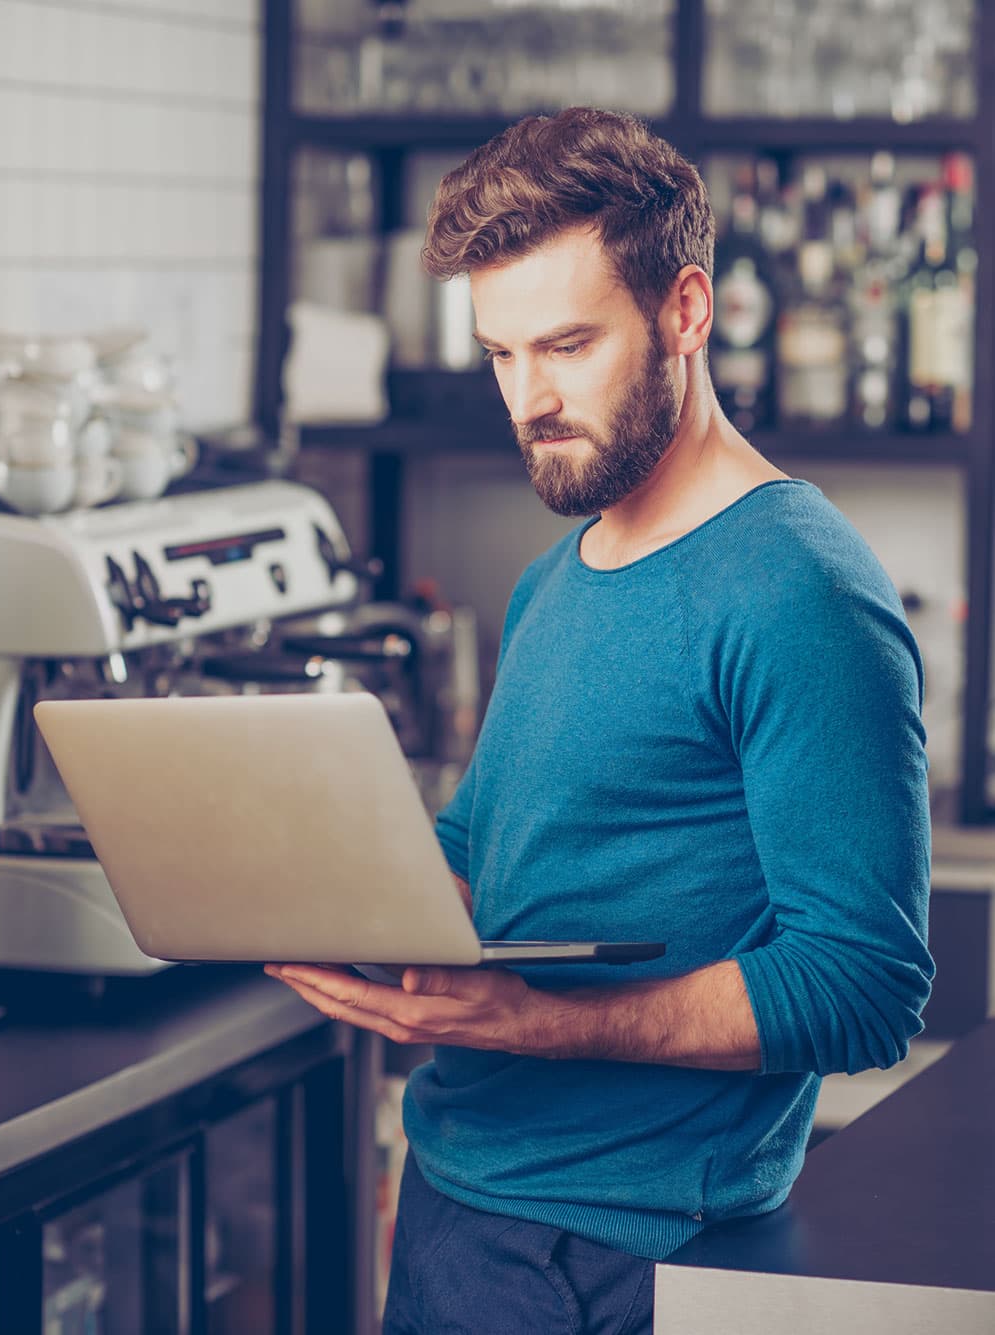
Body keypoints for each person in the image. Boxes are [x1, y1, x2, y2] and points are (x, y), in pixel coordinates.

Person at [266, 107, 934, 1334]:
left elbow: (862, 985)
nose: (528, 398)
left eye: (567, 346)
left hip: (611, 1257)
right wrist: (330, 887)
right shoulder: (554, 578)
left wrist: (538, 1023)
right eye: (501, 354)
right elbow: (481, 852)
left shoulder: (800, 592)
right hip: (456, 1208)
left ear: (686, 310)